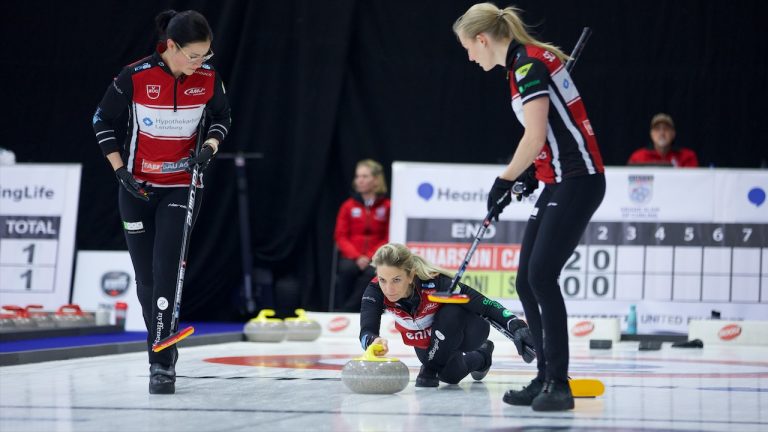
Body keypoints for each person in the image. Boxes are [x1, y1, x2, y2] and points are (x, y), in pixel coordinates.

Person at [453, 4, 606, 411]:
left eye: (468, 48)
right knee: (525, 280)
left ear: (482, 40)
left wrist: (504, 179)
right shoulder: (524, 64)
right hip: (558, 178)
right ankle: (544, 376)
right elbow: (550, 137)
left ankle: (558, 383)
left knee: (542, 276)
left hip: (579, 179)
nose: (470, 57)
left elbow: (536, 135)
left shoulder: (527, 66)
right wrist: (531, 174)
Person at [92, 10, 231, 395]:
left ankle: (161, 363)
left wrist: (209, 146)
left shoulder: (206, 79)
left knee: (166, 270)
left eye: (206, 55)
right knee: (146, 283)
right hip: (136, 188)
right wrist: (121, 172)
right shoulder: (135, 76)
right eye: (193, 55)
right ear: (171, 46)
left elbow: (222, 117)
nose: (201, 62)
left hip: (182, 187)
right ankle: (162, 346)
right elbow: (101, 120)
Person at [359, 243, 535, 388]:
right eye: (383, 280)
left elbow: (485, 304)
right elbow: (366, 330)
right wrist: (372, 341)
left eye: (396, 280)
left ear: (411, 275)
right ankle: (483, 356)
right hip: (430, 340)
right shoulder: (375, 291)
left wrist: (516, 324)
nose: (389, 289)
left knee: (452, 309)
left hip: (468, 330)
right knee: (451, 377)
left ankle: (431, 367)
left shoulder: (436, 282)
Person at [333, 159, 390, 311]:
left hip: (376, 256)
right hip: (352, 255)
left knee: (372, 274)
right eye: (358, 176)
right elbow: (340, 236)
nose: (360, 180)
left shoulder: (387, 206)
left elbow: (388, 235)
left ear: (376, 180)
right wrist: (357, 256)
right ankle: (344, 310)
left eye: (364, 176)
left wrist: (371, 256)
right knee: (347, 270)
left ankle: (347, 311)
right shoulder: (348, 206)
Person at [627, 113, 699, 167]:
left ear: (673, 134)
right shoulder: (637, 157)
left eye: (666, 129)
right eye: (657, 129)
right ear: (651, 134)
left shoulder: (687, 157)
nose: (662, 133)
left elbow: (692, 184)